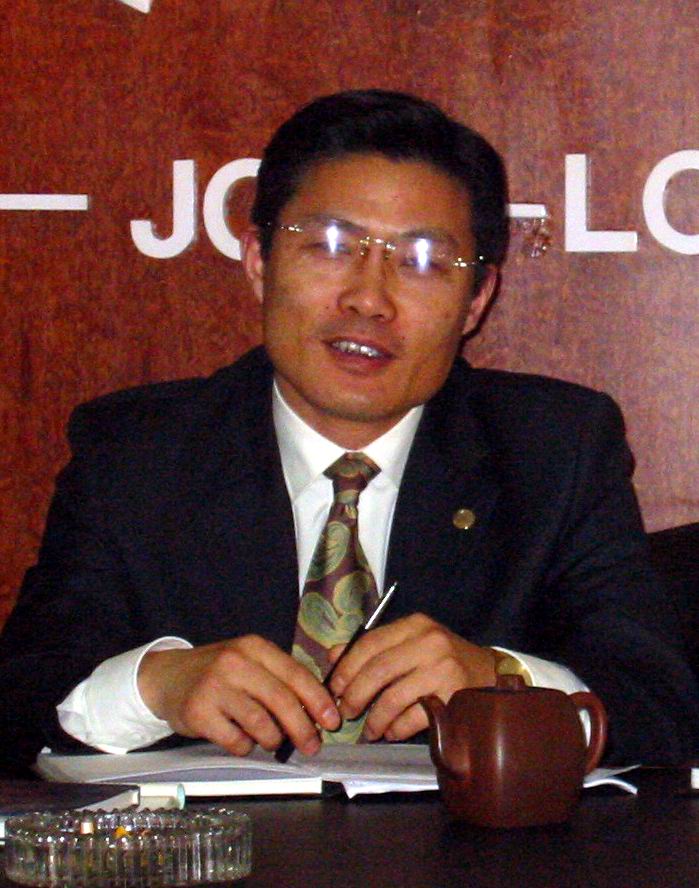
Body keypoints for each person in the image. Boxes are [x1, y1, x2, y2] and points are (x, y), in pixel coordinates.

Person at [0, 89, 696, 774]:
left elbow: (662, 713)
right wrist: (155, 688)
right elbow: (17, 703)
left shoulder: (554, 451)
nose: (369, 298)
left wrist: (502, 682)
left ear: (477, 299)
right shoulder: (137, 454)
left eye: (422, 261)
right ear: (258, 260)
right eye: (331, 245)